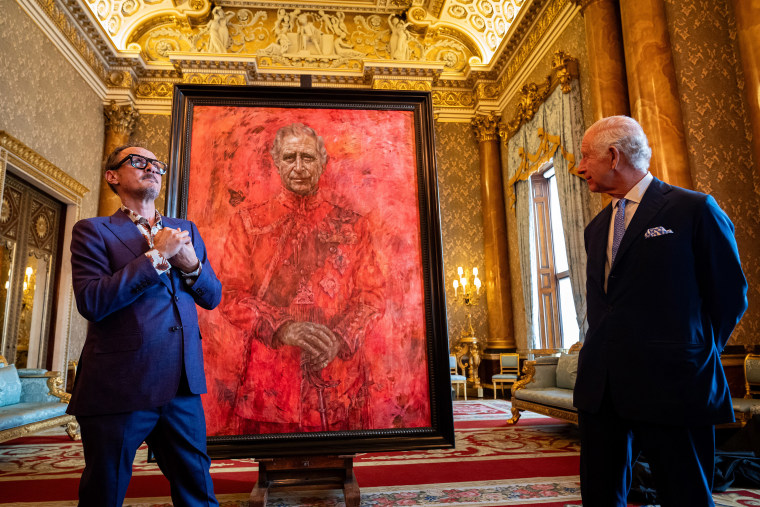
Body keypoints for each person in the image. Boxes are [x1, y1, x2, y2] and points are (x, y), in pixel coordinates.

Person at [574, 115, 748, 506]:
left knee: (684, 493)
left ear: (614, 155)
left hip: (674, 384)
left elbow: (730, 295)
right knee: (600, 496)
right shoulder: (596, 227)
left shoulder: (693, 209)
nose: (580, 167)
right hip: (602, 389)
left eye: (586, 156)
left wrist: (693, 352)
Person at [68, 144, 222, 506]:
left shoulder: (186, 230)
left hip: (182, 386)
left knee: (198, 491)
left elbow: (212, 296)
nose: (151, 168)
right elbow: (93, 302)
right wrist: (157, 257)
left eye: (157, 164)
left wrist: (190, 265)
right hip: (120, 384)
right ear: (113, 176)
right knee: (104, 493)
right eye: (138, 162)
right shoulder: (93, 231)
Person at [221, 123, 384, 434]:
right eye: (290, 157)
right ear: (276, 162)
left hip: (337, 377)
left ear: (321, 162)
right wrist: (284, 328)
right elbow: (230, 294)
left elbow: (371, 295)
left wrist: (339, 338)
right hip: (271, 377)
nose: (298, 167)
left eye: (307, 158)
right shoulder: (247, 223)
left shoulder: (354, 225)